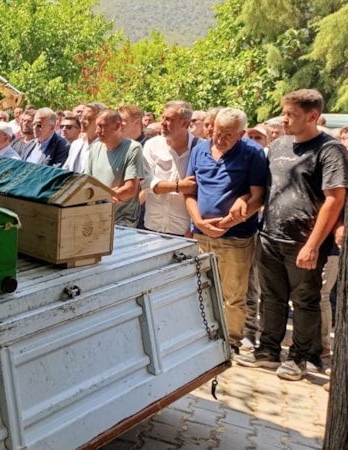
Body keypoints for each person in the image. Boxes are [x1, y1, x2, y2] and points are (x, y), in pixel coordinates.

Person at [235, 89, 348, 381]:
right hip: (270, 235)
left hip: (303, 241)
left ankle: (299, 359)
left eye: (291, 115)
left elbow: (335, 199)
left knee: (305, 301)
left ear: (313, 116)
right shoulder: (278, 145)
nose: (284, 120)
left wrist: (313, 244)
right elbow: (265, 188)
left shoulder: (330, 150)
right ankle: (268, 352)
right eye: (284, 113)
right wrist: (244, 203)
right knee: (271, 297)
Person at [184, 107, 267, 356]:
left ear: (241, 134)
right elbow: (190, 191)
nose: (220, 138)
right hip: (201, 234)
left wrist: (228, 223)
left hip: (236, 238)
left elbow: (258, 197)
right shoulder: (199, 149)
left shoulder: (252, 152)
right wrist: (199, 221)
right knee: (200, 288)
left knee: (233, 295)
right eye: (218, 132)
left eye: (228, 135)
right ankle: (201, 335)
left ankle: (230, 342)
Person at [142, 101, 198, 236]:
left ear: (185, 123)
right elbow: (146, 182)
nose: (162, 123)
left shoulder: (200, 149)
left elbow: (203, 190)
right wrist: (178, 186)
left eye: (169, 119)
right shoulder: (152, 145)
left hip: (184, 230)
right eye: (163, 118)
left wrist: (195, 226)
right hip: (153, 226)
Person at [84, 109, 143, 226]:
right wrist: (106, 197)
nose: (97, 131)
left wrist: (102, 197)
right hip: (96, 216)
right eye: (97, 126)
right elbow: (87, 182)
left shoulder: (133, 148)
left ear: (117, 126)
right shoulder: (95, 148)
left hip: (122, 221)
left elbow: (130, 189)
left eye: (102, 126)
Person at [62, 103, 101, 172]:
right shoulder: (76, 144)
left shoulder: (104, 146)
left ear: (99, 121)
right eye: (81, 117)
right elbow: (66, 169)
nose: (82, 121)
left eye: (87, 118)